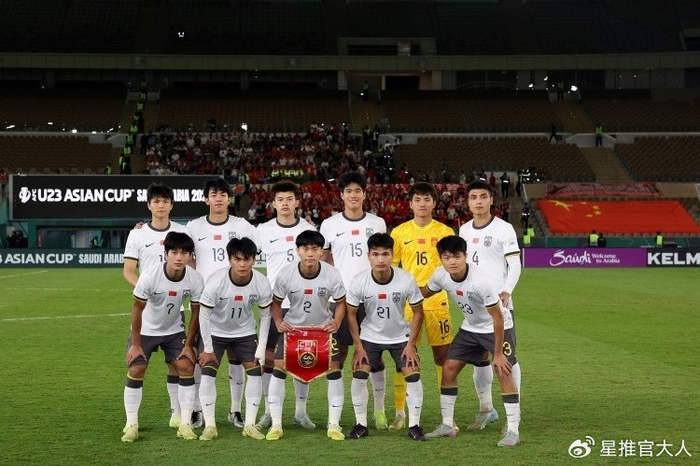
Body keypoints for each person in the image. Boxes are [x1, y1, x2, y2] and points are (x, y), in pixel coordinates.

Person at [421, 236, 520, 447]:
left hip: (497, 327)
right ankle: (447, 425)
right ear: (441, 259)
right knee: (449, 368)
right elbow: (424, 292)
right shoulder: (441, 275)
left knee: (504, 371)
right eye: (447, 257)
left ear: (465, 256)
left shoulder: (481, 281)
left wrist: (498, 354)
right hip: (471, 328)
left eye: (457, 256)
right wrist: (401, 287)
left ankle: (513, 430)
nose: (452, 262)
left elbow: (498, 318)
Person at [187, 177, 258, 428]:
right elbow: (183, 253)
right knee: (202, 356)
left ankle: (235, 410)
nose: (218, 199)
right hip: (203, 302)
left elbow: (270, 240)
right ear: (206, 199)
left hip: (237, 300)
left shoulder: (242, 226)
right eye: (213, 194)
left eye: (223, 195)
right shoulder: (194, 227)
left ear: (229, 199)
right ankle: (196, 409)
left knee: (236, 357)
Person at [319, 172, 389, 429]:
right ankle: (335, 416)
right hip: (340, 300)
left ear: (364, 194)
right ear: (341, 195)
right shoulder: (329, 225)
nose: (353, 195)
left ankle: (379, 411)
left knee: (373, 357)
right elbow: (325, 261)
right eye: (348, 191)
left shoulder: (377, 223)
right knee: (335, 358)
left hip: (372, 301)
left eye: (357, 190)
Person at [121, 232, 205, 443]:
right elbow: (137, 310)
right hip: (145, 331)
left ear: (190, 256)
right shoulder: (150, 276)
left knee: (186, 366)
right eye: (174, 252)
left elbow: (196, 312)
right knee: (137, 368)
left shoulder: (195, 279)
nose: (179, 257)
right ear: (165, 254)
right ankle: (131, 424)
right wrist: (136, 344)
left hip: (173, 331)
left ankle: (184, 423)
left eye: (184, 253)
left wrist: (189, 344)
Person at [266, 230, 347, 441]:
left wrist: (336, 322)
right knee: (279, 366)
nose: (310, 253)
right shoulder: (286, 273)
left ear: (321, 251)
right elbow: (275, 303)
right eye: (305, 249)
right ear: (297, 251)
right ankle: (276, 425)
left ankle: (334, 425)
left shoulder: (332, 273)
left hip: (322, 331)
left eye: (314, 249)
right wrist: (278, 321)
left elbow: (341, 303)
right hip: (293, 330)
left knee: (334, 368)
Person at [346, 233, 427, 441]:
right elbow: (351, 314)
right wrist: (358, 347)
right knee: (359, 374)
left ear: (392, 255)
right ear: (368, 256)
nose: (380, 259)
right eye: (375, 254)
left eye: (385, 254)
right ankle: (361, 424)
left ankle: (414, 425)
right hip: (370, 336)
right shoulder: (359, 281)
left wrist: (411, 344)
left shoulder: (406, 279)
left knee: (413, 374)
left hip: (400, 337)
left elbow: (419, 312)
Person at [123, 182, 189, 429]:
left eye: (165, 201)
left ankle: (176, 413)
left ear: (172, 205)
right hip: (147, 310)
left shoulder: (182, 231)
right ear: (149, 205)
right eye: (156, 201)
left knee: (177, 364)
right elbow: (129, 271)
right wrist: (146, 290)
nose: (161, 206)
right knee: (137, 365)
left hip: (175, 311)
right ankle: (131, 422)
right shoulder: (138, 234)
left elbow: (191, 266)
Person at [390, 182, 455, 430]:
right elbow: (393, 269)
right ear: (410, 203)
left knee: (443, 358)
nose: (422, 204)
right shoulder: (399, 232)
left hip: (438, 303)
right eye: (417, 199)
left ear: (434, 203)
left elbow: (452, 265)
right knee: (405, 357)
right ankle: (400, 413)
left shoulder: (445, 231)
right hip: (408, 305)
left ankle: (446, 416)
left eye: (427, 199)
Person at [458, 180, 522, 432]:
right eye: (473, 197)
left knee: (507, 361)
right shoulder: (463, 230)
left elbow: (514, 264)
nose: (478, 201)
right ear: (468, 202)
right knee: (479, 360)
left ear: (491, 200)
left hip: (498, 306)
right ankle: (487, 409)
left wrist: (507, 290)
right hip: (472, 307)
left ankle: (513, 417)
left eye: (483, 196)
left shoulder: (504, 229)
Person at [253, 181, 317, 431]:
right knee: (268, 359)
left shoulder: (308, 228)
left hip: (303, 304)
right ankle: (269, 412)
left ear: (297, 202)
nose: (285, 203)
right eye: (280, 199)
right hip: (274, 304)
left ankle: (301, 412)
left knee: (303, 359)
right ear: (273, 204)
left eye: (290, 199)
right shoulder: (263, 230)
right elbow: (245, 253)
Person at [197, 237, 272, 441]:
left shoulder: (261, 282)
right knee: (208, 373)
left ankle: (249, 425)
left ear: (254, 260)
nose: (242, 264)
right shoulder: (216, 281)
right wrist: (208, 348)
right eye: (237, 259)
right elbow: (203, 315)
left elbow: (266, 316)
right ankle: (210, 426)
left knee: (255, 373)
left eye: (247, 259)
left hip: (245, 333)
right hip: (215, 332)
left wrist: (261, 349)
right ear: (229, 259)